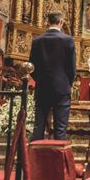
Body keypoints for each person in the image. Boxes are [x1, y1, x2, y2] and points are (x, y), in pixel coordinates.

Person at [30, 11, 76, 141]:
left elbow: (32, 66)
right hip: (61, 88)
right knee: (60, 129)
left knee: (38, 127)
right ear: (61, 22)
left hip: (42, 87)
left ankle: (34, 160)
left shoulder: (37, 41)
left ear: (48, 22)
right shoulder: (68, 40)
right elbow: (71, 68)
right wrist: (68, 83)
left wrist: (40, 80)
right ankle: (57, 159)